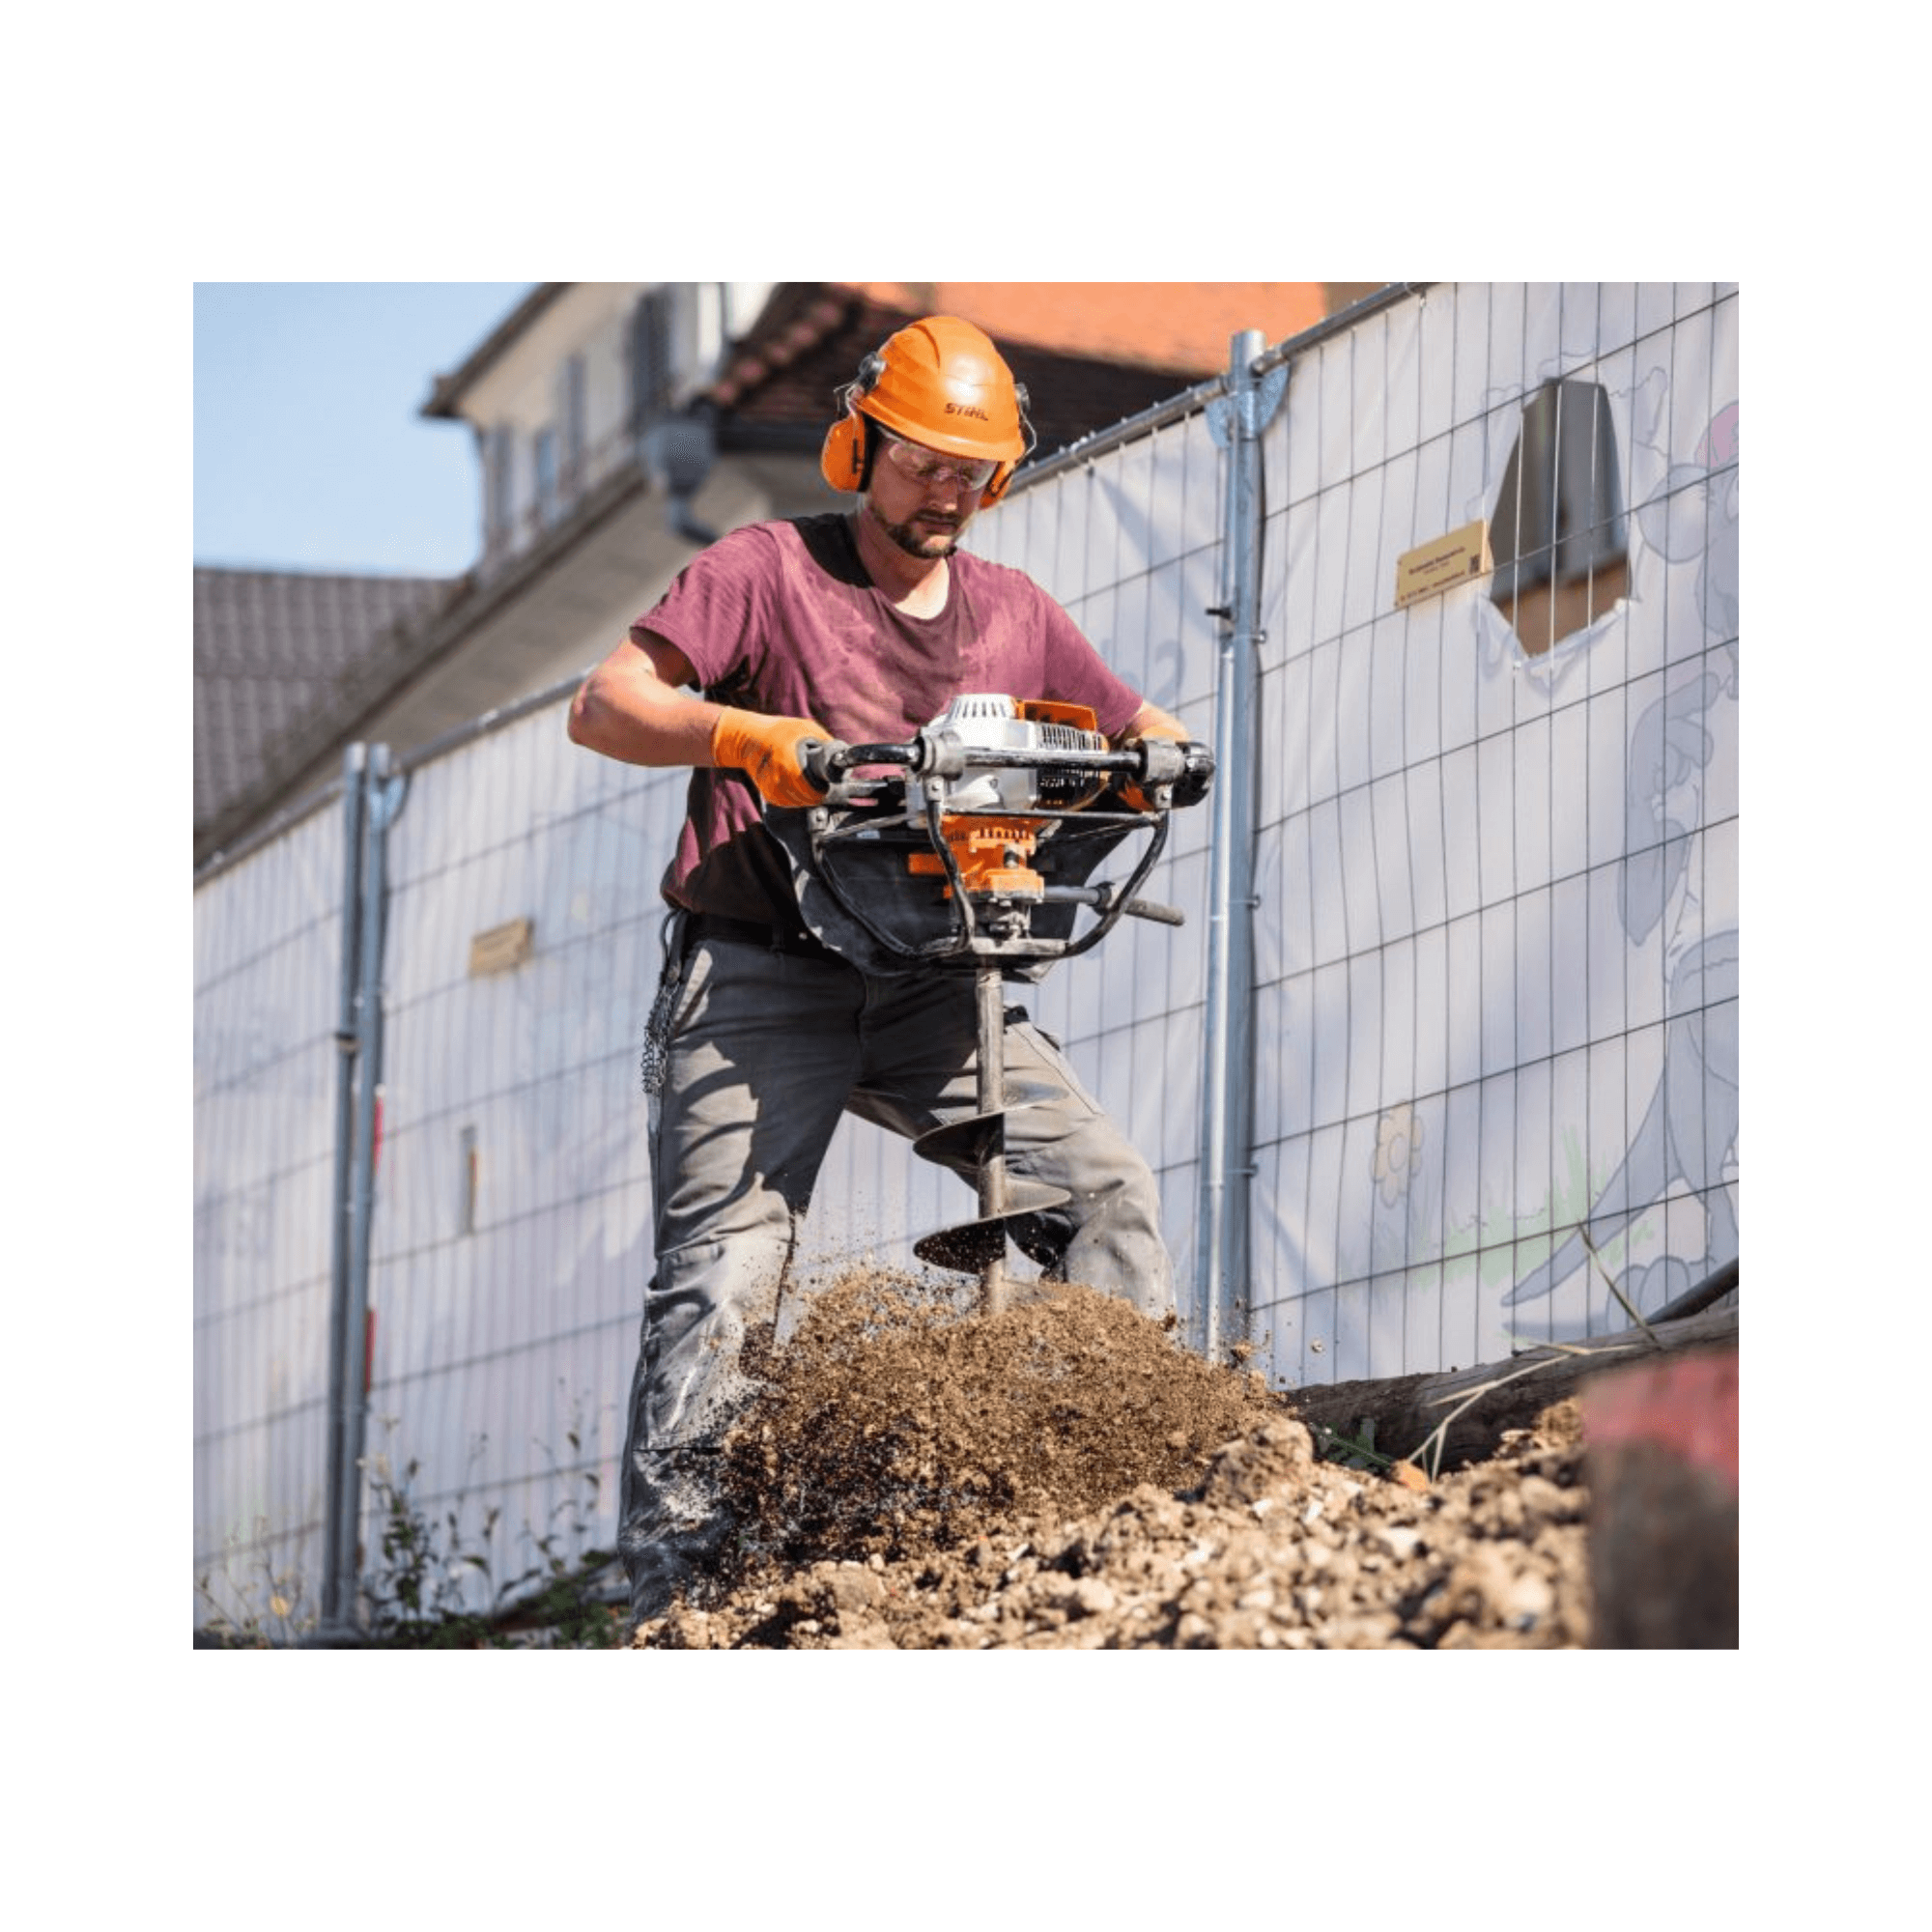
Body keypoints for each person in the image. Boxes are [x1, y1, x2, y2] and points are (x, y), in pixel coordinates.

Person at [566, 314, 1210, 1625]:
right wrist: (749, 738)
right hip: (760, 977)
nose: (949, 495)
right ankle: (682, 1595)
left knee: (1102, 1192)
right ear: (858, 445)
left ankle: (1125, 1501)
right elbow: (605, 702)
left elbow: (1147, 728)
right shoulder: (766, 571)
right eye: (922, 464)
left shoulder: (1014, 615)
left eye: (974, 470)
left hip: (935, 978)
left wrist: (1159, 755)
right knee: (727, 1272)